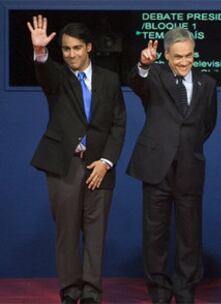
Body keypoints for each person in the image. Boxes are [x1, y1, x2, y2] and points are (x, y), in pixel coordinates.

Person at [27, 15, 126, 304]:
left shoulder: (109, 80)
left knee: (95, 235)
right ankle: (70, 292)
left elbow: (119, 123)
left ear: (89, 47)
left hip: (100, 166)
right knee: (67, 233)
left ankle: (92, 293)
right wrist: (40, 52)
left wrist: (106, 161)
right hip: (64, 165)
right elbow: (44, 73)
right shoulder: (57, 77)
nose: (71, 54)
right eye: (66, 49)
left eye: (76, 48)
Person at [126, 28, 217, 303]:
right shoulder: (154, 75)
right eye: (178, 56)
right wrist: (143, 64)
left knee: (190, 234)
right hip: (157, 167)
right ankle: (159, 291)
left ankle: (185, 289)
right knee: (155, 234)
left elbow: (207, 124)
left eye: (189, 55)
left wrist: (185, 147)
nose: (184, 61)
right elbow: (135, 83)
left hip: (190, 166)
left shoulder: (207, 83)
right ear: (166, 55)